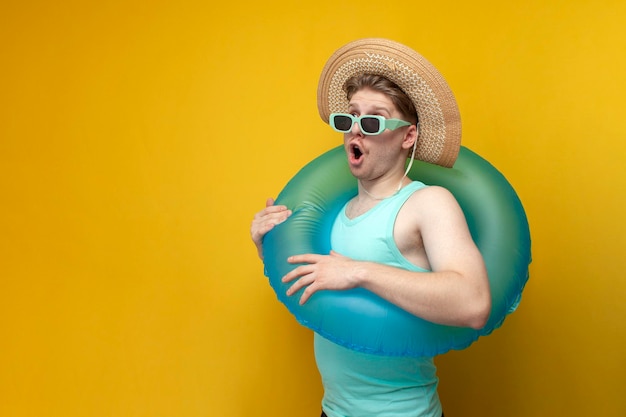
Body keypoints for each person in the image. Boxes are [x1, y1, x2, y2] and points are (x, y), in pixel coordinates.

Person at [250, 38, 491, 417]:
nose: (355, 132)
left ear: (407, 136)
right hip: (332, 411)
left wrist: (358, 272)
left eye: (374, 120)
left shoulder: (427, 203)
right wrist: (269, 248)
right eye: (349, 118)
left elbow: (473, 302)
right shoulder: (337, 213)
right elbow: (316, 296)